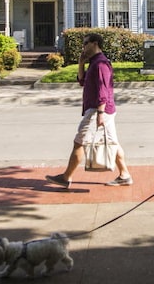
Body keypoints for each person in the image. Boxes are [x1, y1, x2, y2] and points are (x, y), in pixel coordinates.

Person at [46, 33, 133, 188]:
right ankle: (125, 175)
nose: (83, 46)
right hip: (102, 110)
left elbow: (103, 90)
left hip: (97, 110)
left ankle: (66, 178)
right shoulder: (94, 63)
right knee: (113, 142)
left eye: (86, 43)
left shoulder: (101, 64)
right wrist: (81, 63)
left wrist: (100, 113)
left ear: (95, 44)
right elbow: (82, 81)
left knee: (79, 142)